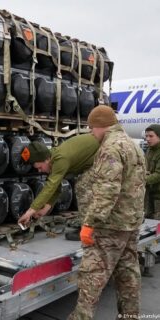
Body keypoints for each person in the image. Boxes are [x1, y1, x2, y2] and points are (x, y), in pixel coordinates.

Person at [68, 105, 146, 319]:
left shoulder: (110, 148)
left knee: (91, 274)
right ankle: (130, 315)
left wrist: (90, 222)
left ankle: (81, 317)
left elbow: (107, 189)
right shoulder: (133, 145)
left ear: (100, 126)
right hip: (131, 222)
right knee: (128, 272)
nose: (92, 133)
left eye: (92, 128)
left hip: (110, 225)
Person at [18, 134, 100, 240]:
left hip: (104, 156)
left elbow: (50, 187)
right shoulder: (53, 159)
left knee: (83, 189)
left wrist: (30, 211)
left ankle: (89, 231)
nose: (39, 171)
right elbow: (56, 187)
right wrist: (45, 208)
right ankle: (89, 227)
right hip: (94, 160)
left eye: (40, 167)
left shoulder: (60, 159)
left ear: (46, 159)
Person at [144, 124, 160, 220]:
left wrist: (141, 179)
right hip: (149, 195)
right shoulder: (149, 150)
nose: (148, 139)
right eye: (146, 136)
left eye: (151, 136)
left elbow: (158, 175)